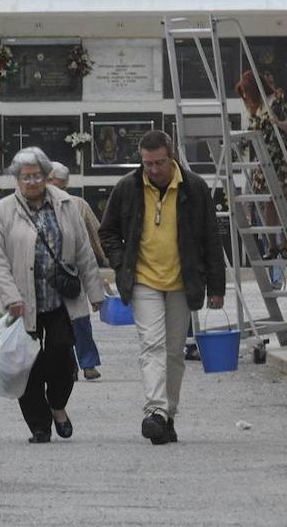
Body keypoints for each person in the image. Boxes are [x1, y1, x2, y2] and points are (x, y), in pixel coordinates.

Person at [98, 130, 226, 445]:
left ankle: (167, 415)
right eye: (147, 163)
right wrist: (119, 263)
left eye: (159, 163)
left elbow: (211, 237)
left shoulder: (194, 188)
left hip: (184, 280)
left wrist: (216, 287)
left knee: (174, 352)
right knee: (151, 345)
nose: (153, 170)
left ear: (172, 157)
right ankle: (155, 411)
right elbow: (108, 231)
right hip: (143, 279)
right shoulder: (128, 188)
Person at [0, 147, 105, 444]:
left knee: (62, 357)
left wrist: (95, 291)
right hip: (22, 302)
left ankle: (57, 404)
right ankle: (39, 425)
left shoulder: (66, 204)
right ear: (17, 179)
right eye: (25, 176)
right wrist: (10, 296)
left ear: (46, 176)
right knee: (26, 365)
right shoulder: (2, 211)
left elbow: (82, 251)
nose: (31, 181)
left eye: (37, 175)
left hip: (61, 299)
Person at [235, 69, 287, 283]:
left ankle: (284, 245)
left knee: (283, 198)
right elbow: (251, 132)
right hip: (264, 158)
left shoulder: (277, 99)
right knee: (268, 203)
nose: (246, 98)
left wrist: (278, 124)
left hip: (281, 157)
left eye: (247, 92)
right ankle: (272, 245)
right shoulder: (255, 109)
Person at [48, 161, 105, 381]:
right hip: (48, 276)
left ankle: (88, 363)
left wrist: (109, 261)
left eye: (57, 182)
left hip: (73, 274)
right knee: (57, 325)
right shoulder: (34, 204)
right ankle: (68, 365)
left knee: (80, 321)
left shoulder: (78, 205)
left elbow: (96, 235)